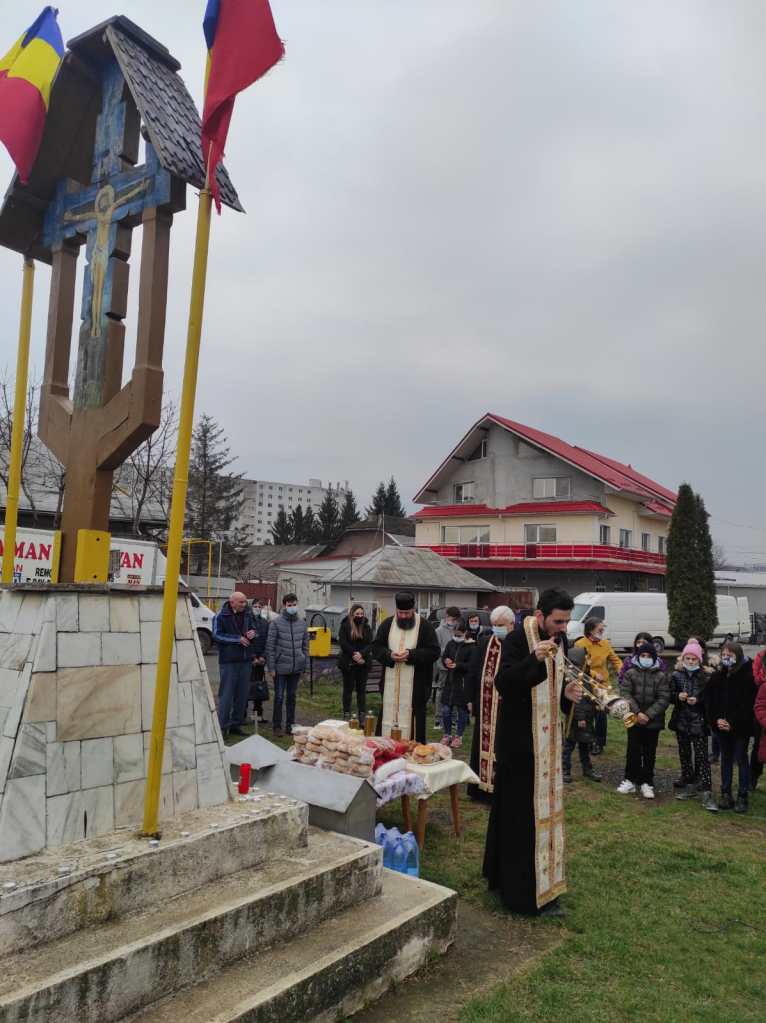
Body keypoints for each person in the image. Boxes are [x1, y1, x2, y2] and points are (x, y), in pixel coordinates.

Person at [482, 588, 583, 918]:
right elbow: (504, 683)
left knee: (539, 815)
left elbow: (554, 689)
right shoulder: (516, 639)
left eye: (566, 622)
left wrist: (567, 695)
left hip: (546, 744)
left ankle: (537, 882)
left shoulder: (560, 641)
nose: (563, 628)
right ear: (540, 616)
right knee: (518, 817)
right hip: (519, 743)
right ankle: (520, 893)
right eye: (558, 621)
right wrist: (533, 659)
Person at [372, 592, 440, 743]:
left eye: (407, 613)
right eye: (400, 613)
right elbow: (376, 647)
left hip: (416, 687)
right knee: (386, 725)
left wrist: (411, 654)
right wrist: (389, 655)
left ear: (413, 609)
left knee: (413, 732)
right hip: (390, 688)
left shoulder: (425, 626)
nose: (403, 616)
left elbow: (434, 652)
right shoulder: (387, 624)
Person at [466, 605, 515, 802]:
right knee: (482, 745)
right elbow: (473, 671)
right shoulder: (485, 642)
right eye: (494, 625)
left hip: (508, 707)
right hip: (486, 704)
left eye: (501, 625)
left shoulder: (519, 643)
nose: (497, 629)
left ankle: (501, 790)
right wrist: (470, 698)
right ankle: (480, 789)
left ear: (511, 624)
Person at [705, 641, 756, 813]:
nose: (726, 658)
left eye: (730, 655)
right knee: (725, 759)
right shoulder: (717, 676)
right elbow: (710, 701)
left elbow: (748, 705)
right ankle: (726, 793)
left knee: (741, 758)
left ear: (738, 656)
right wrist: (716, 720)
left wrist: (732, 723)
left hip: (741, 728)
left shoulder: (748, 676)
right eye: (724, 655)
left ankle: (742, 795)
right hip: (721, 727)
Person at [616, 642, 670, 799]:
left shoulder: (661, 676)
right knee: (633, 750)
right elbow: (625, 693)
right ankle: (630, 780)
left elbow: (664, 698)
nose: (646, 658)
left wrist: (649, 715)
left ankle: (647, 782)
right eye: (643, 655)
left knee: (649, 752)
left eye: (649, 656)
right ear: (638, 657)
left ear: (654, 658)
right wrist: (638, 712)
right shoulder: (630, 673)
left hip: (653, 721)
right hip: (634, 718)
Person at [668, 640, 715, 810]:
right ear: (683, 658)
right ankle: (689, 786)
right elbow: (668, 695)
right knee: (685, 755)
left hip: (699, 722)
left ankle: (706, 790)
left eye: (694, 659)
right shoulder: (676, 675)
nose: (690, 661)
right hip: (681, 721)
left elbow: (711, 699)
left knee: (702, 758)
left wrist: (699, 700)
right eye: (687, 658)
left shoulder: (706, 677)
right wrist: (677, 696)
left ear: (699, 660)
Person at [213, 592, 259, 736]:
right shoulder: (220, 616)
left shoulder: (248, 614)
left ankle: (236, 724)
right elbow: (216, 635)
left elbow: (255, 629)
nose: (244, 605)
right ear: (232, 602)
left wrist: (253, 633)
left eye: (245, 602)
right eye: (241, 602)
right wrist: (236, 639)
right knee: (226, 695)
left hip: (245, 660)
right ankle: (222, 727)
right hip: (229, 661)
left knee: (242, 695)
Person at [575, 617, 622, 756]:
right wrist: (594, 674)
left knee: (601, 716)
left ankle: (599, 743)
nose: (602, 631)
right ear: (590, 630)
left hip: (603, 687)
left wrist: (622, 670)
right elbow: (577, 665)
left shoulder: (605, 644)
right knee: (588, 715)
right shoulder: (580, 644)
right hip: (586, 685)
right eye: (600, 629)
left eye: (603, 629)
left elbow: (615, 660)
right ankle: (588, 740)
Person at [265, 593, 308, 737]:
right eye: (289, 605)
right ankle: (277, 726)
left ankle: (290, 725)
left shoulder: (302, 623)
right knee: (279, 697)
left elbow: (305, 647)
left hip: (296, 667)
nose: (292, 607)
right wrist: (271, 667)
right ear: (284, 606)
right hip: (280, 668)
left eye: (294, 604)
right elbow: (270, 647)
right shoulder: (276, 623)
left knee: (292, 697)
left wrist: (305, 664)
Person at [440, 620, 473, 748]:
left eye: (459, 635)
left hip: (462, 683)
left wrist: (458, 665)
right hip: (450, 682)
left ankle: (458, 736)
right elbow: (444, 657)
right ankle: (447, 734)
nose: (456, 636)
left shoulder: (471, 646)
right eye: (455, 634)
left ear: (465, 633)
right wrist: (446, 661)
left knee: (462, 711)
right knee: (446, 710)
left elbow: (472, 665)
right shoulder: (450, 644)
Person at [337, 604, 373, 720]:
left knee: (361, 691)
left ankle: (362, 715)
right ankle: (346, 714)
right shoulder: (345, 626)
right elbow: (343, 643)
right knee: (348, 690)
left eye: (361, 614)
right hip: (348, 663)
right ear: (352, 614)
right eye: (357, 614)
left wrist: (361, 654)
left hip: (363, 663)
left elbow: (370, 644)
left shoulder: (366, 627)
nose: (360, 616)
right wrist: (354, 654)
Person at [433, 607, 461, 730]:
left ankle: (453, 719)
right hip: (443, 666)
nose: (453, 621)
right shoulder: (439, 631)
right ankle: (438, 719)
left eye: (455, 620)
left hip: (456, 666)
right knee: (441, 691)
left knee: (455, 691)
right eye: (452, 618)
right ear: (447, 616)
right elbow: (436, 649)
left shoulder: (458, 629)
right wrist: (449, 651)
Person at [248, 598, 271, 725]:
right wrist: (253, 657)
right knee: (245, 687)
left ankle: (258, 714)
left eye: (259, 606)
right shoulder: (247, 621)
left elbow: (268, 641)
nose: (257, 608)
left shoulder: (265, 623)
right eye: (255, 606)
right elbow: (247, 640)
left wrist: (263, 657)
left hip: (261, 661)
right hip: (249, 660)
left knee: (259, 687)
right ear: (251, 607)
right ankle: (241, 715)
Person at [750, 642, 766, 790]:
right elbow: (755, 677)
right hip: (760, 710)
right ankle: (753, 777)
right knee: (758, 746)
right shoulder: (761, 657)